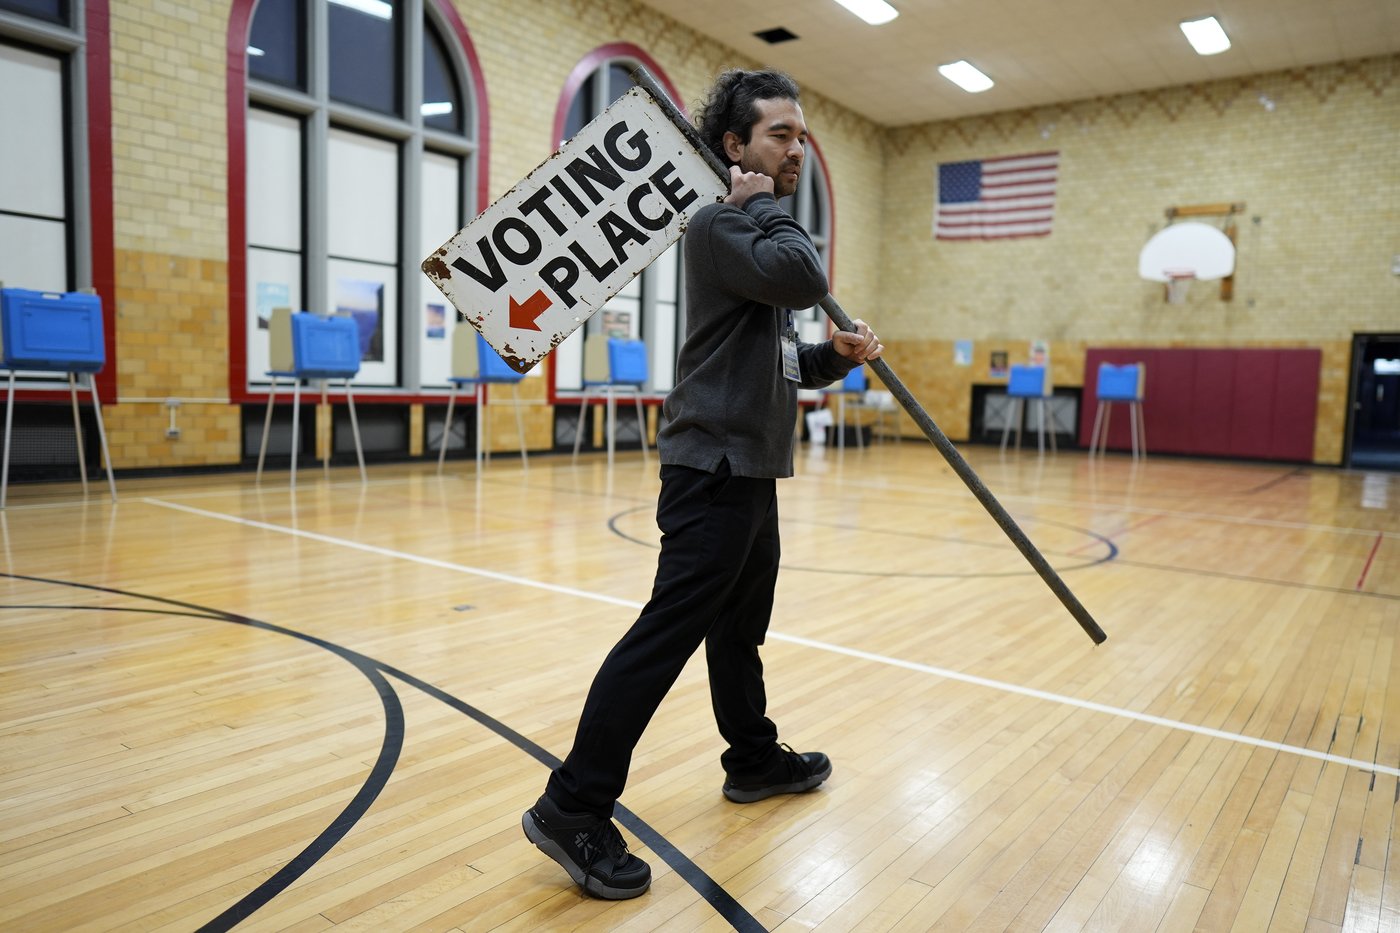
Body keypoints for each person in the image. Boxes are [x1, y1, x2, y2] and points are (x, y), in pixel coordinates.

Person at [522, 67, 884, 900]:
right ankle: (571, 805)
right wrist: (759, 201)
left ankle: (752, 758)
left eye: (801, 135)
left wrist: (838, 357)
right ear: (735, 147)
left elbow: (779, 358)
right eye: (780, 136)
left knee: (736, 631)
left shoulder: (751, 238)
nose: (798, 149)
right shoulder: (722, 225)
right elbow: (801, 273)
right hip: (712, 469)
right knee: (665, 635)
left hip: (749, 468)